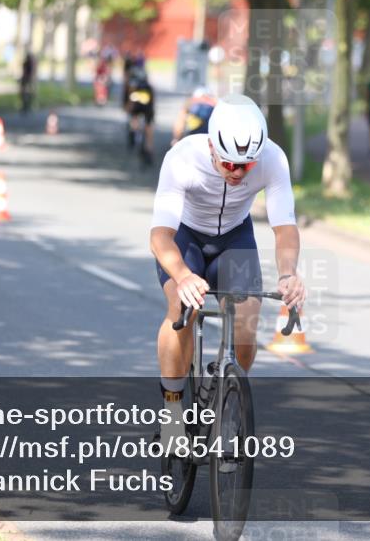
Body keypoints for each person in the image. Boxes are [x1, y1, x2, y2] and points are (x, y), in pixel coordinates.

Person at [150, 95, 306, 447]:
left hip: (234, 237)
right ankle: (173, 408)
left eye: (246, 166)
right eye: (229, 164)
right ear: (211, 145)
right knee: (181, 308)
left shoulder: (272, 158)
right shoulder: (182, 159)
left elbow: (285, 228)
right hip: (186, 237)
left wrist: (287, 274)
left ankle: (230, 400)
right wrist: (183, 275)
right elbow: (160, 236)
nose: (237, 173)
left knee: (248, 319)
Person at [124, 69, 155, 164]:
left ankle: (133, 132)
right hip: (147, 109)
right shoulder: (149, 87)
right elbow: (152, 103)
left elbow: (130, 103)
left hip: (137, 108)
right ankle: (149, 149)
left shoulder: (133, 86)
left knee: (134, 118)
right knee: (148, 127)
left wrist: (127, 109)